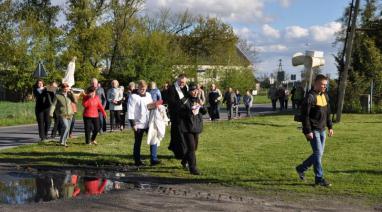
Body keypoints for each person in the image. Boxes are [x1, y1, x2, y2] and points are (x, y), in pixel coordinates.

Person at [295, 74, 334, 187]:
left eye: (325, 85)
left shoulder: (325, 96)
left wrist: (330, 127)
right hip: (313, 130)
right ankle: (319, 178)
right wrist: (307, 131)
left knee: (319, 154)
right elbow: (305, 116)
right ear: (315, 84)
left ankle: (301, 168)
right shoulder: (310, 97)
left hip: (322, 129)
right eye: (322, 84)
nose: (324, 87)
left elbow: (328, 113)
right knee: (318, 153)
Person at [128, 80, 161, 166]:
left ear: (146, 87)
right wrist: (133, 123)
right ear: (138, 87)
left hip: (148, 122)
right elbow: (130, 110)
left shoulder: (149, 95)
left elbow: (149, 106)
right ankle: (137, 160)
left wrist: (157, 105)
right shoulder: (133, 97)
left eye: (144, 88)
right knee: (138, 142)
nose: (142, 90)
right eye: (141, 88)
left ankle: (154, 159)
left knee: (154, 139)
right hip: (138, 123)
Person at [179, 83, 207, 175]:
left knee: (194, 147)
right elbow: (179, 112)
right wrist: (190, 111)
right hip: (187, 127)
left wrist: (201, 105)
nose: (194, 92)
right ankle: (193, 168)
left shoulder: (198, 99)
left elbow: (205, 111)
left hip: (196, 126)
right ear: (189, 91)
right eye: (192, 91)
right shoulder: (184, 100)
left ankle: (184, 161)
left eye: (195, 90)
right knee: (191, 147)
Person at [167, 74, 189, 160]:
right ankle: (179, 153)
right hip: (176, 116)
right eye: (181, 82)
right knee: (177, 135)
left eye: (184, 82)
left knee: (183, 135)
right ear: (178, 80)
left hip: (185, 116)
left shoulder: (186, 88)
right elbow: (171, 102)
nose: (182, 83)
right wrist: (181, 105)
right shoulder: (172, 88)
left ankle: (181, 152)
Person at [49, 83, 77, 147]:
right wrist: (51, 113)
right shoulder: (57, 96)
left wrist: (72, 93)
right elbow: (53, 105)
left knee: (67, 128)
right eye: (64, 87)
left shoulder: (69, 95)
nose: (65, 88)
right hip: (62, 114)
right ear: (61, 88)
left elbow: (75, 101)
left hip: (70, 114)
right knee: (66, 127)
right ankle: (63, 142)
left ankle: (63, 141)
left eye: (67, 87)